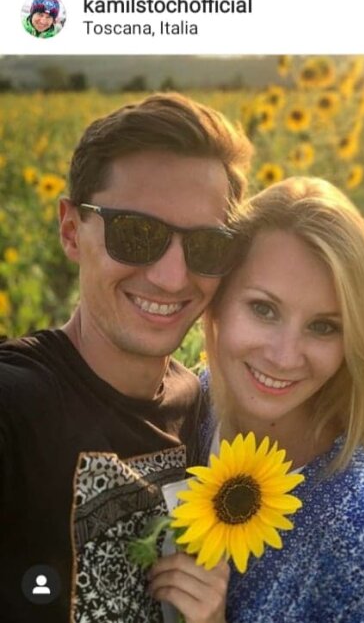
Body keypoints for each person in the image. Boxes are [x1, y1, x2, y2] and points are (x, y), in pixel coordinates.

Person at [0, 93, 253, 623]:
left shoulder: (200, 410)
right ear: (71, 230)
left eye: (207, 245)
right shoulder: (17, 405)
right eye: (136, 234)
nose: (172, 277)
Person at [149, 177, 364, 622]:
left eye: (323, 326)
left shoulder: (357, 519)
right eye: (264, 309)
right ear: (217, 299)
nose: (284, 356)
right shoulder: (188, 407)